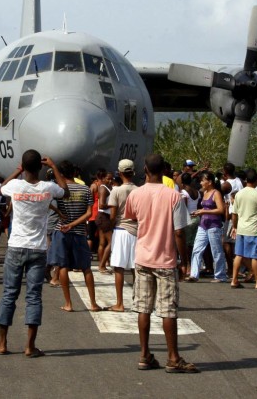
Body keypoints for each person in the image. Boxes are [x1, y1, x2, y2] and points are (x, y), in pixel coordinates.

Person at [123, 153, 197, 374]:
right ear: (165, 170)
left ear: (145, 170)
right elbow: (179, 232)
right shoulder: (173, 195)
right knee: (167, 310)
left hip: (143, 257)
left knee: (143, 308)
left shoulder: (136, 194)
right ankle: (173, 357)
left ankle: (144, 355)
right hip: (165, 259)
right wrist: (183, 261)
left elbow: (132, 218)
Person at [0, 150, 68, 357]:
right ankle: (30, 346)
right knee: (33, 297)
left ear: (23, 167)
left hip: (16, 246)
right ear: (40, 167)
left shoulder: (15, 186)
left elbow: (0, 190)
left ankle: (2, 343)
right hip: (38, 248)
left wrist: (16, 172)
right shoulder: (48, 187)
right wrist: (54, 167)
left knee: (9, 294)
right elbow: (65, 191)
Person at [48, 160, 101, 312]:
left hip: (61, 231)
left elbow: (47, 202)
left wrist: (60, 214)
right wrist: (74, 224)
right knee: (86, 268)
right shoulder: (85, 189)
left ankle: (68, 303)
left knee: (63, 266)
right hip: (79, 232)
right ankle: (93, 303)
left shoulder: (59, 191)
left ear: (61, 174)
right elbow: (89, 213)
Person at [229, 169, 257, 291]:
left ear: (246, 180)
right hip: (253, 230)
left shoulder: (239, 194)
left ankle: (234, 280)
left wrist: (235, 226)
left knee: (238, 255)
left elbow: (234, 213)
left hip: (241, 229)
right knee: (255, 257)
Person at [106, 159, 138, 312]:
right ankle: (139, 300)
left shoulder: (116, 191)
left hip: (120, 230)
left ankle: (119, 303)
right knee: (135, 268)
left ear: (119, 172)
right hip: (136, 231)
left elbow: (112, 215)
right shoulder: (139, 190)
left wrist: (109, 227)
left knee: (119, 268)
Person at [188, 171, 226, 283]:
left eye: (202, 180)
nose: (201, 182)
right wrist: (199, 212)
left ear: (209, 182)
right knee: (197, 249)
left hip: (214, 226)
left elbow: (221, 209)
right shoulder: (204, 192)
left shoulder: (216, 193)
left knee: (216, 251)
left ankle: (220, 275)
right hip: (203, 225)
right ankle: (194, 274)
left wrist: (204, 211)